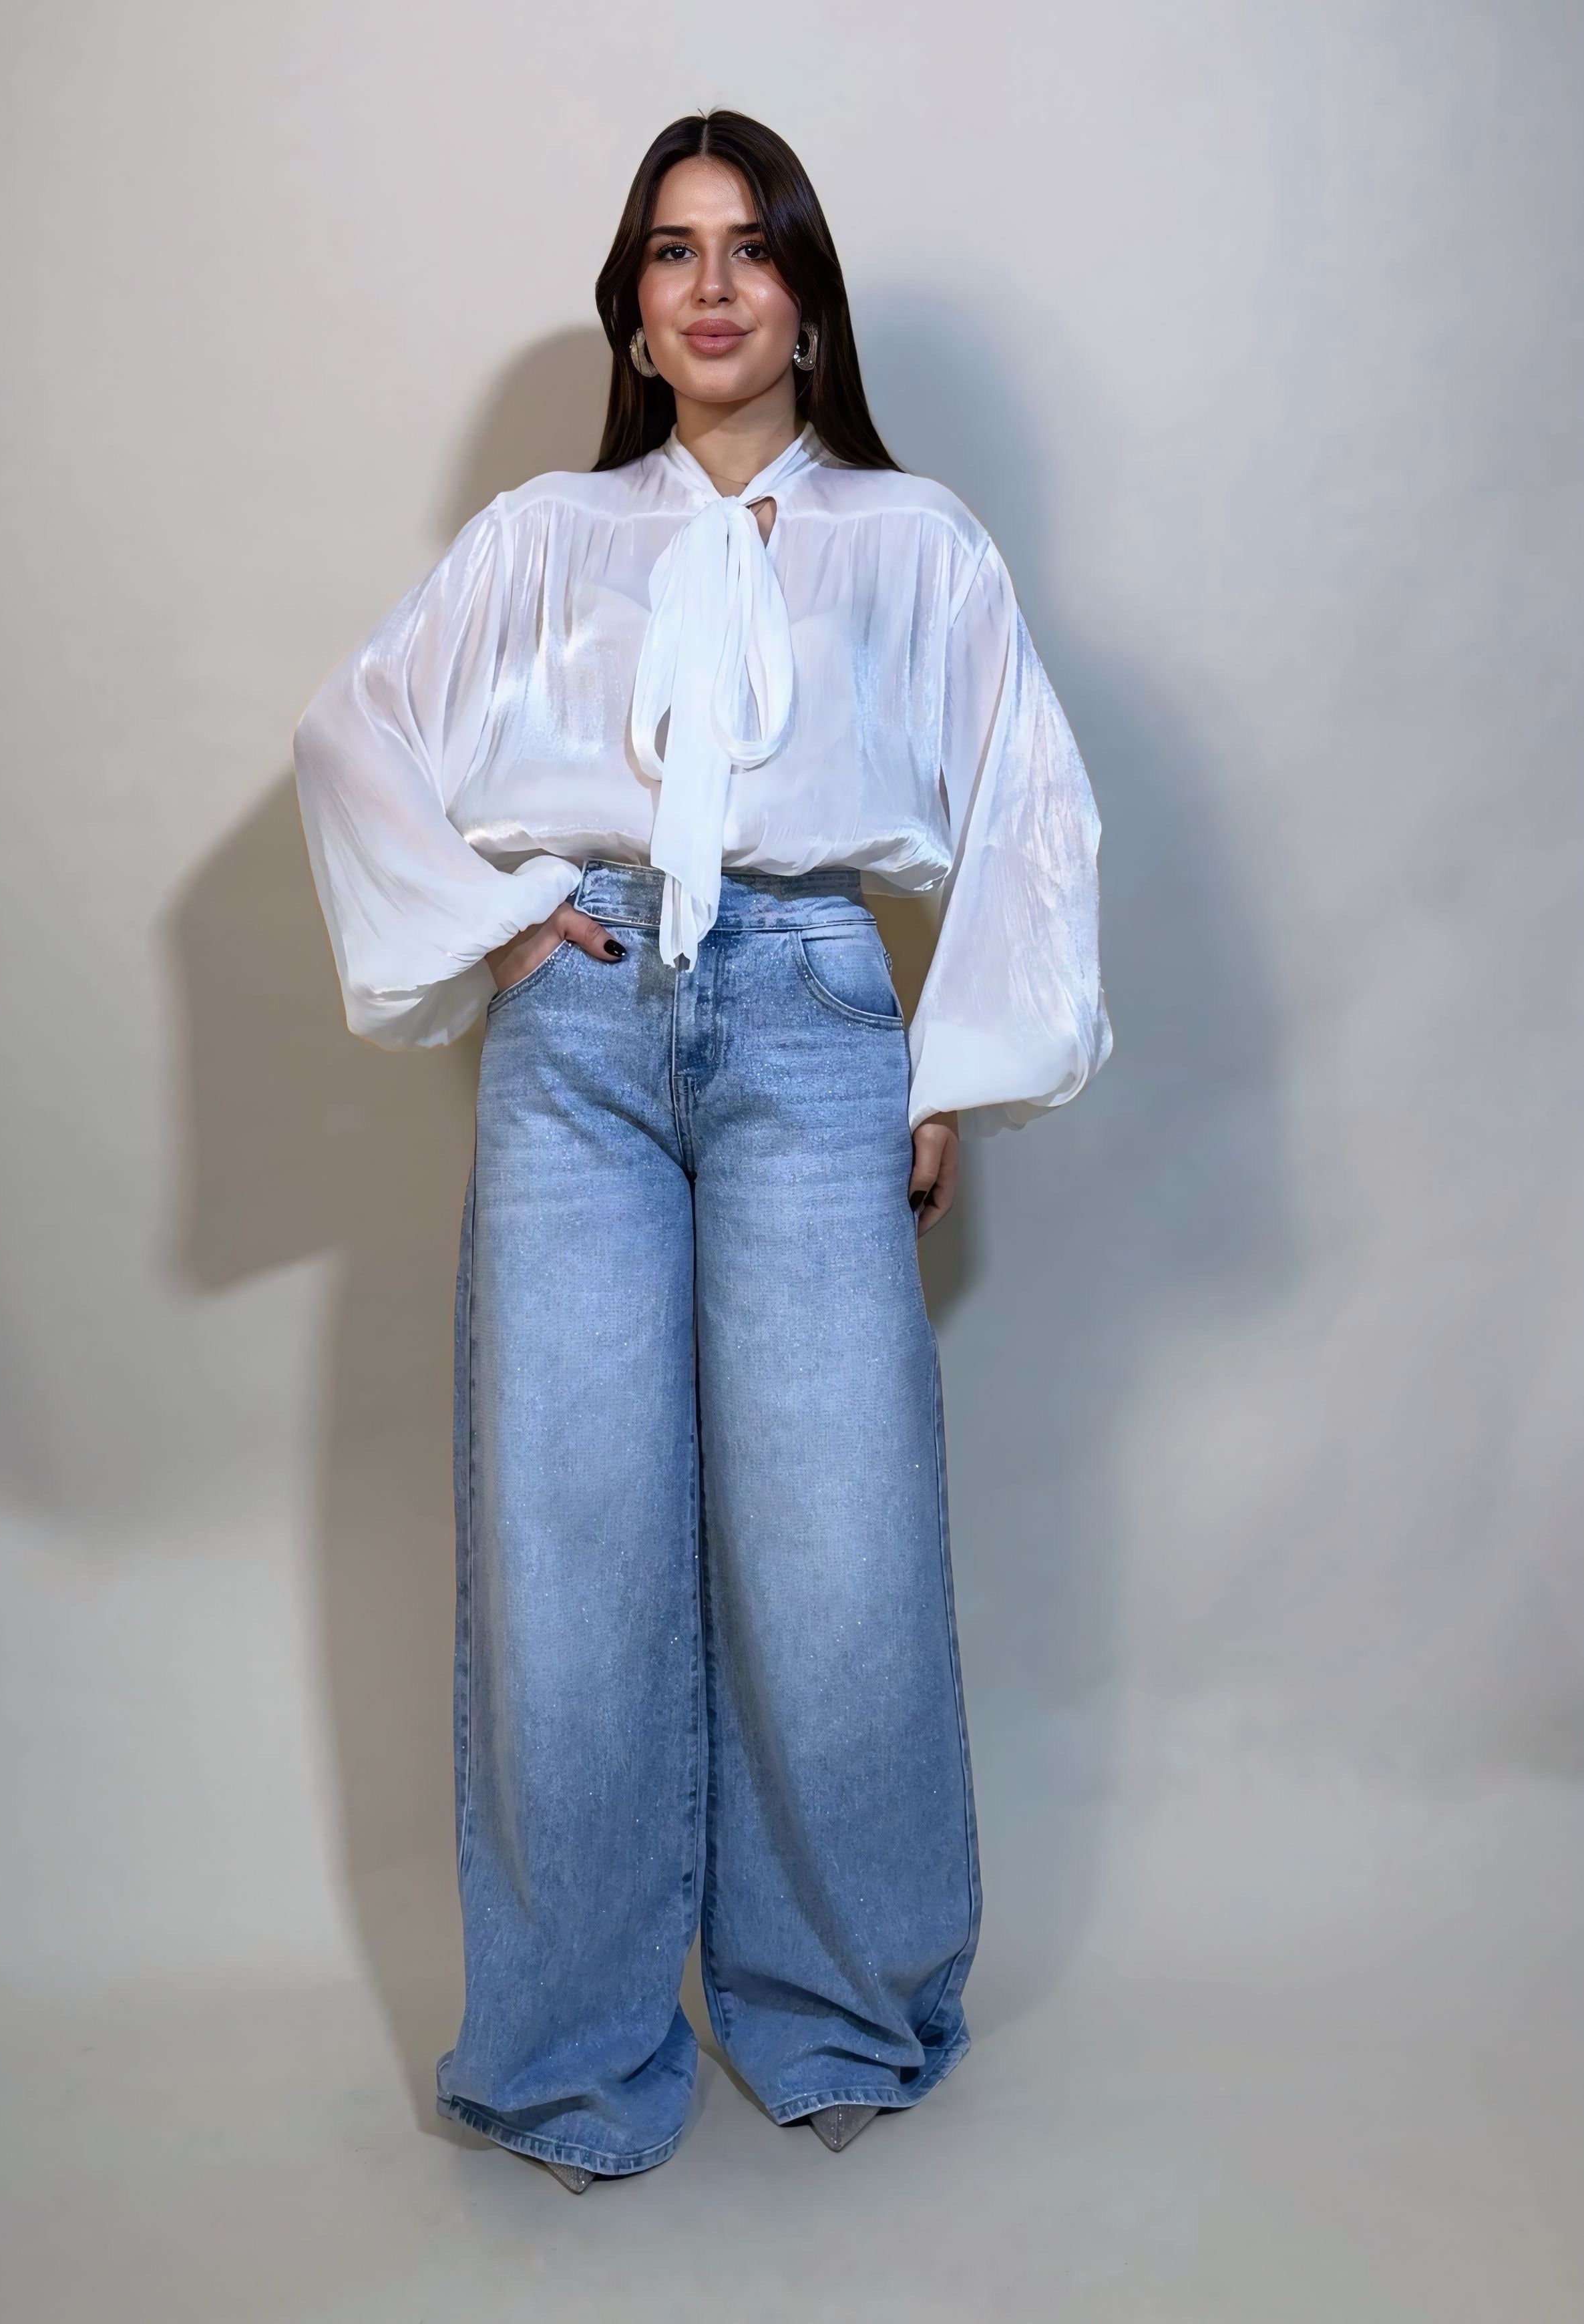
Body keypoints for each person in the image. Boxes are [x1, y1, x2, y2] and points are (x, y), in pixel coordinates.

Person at [292, 108, 1111, 2194]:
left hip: (813, 1021)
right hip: (576, 1032)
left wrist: (949, 1065)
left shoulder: (910, 543)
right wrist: (498, 924)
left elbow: (1025, 795)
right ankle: (566, 2048)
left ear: (806, 304)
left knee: (831, 1539)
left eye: (752, 248)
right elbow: (352, 736)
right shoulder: (543, 540)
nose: (714, 284)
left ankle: (839, 2003)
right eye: (673, 250)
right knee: (567, 1539)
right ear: (633, 310)